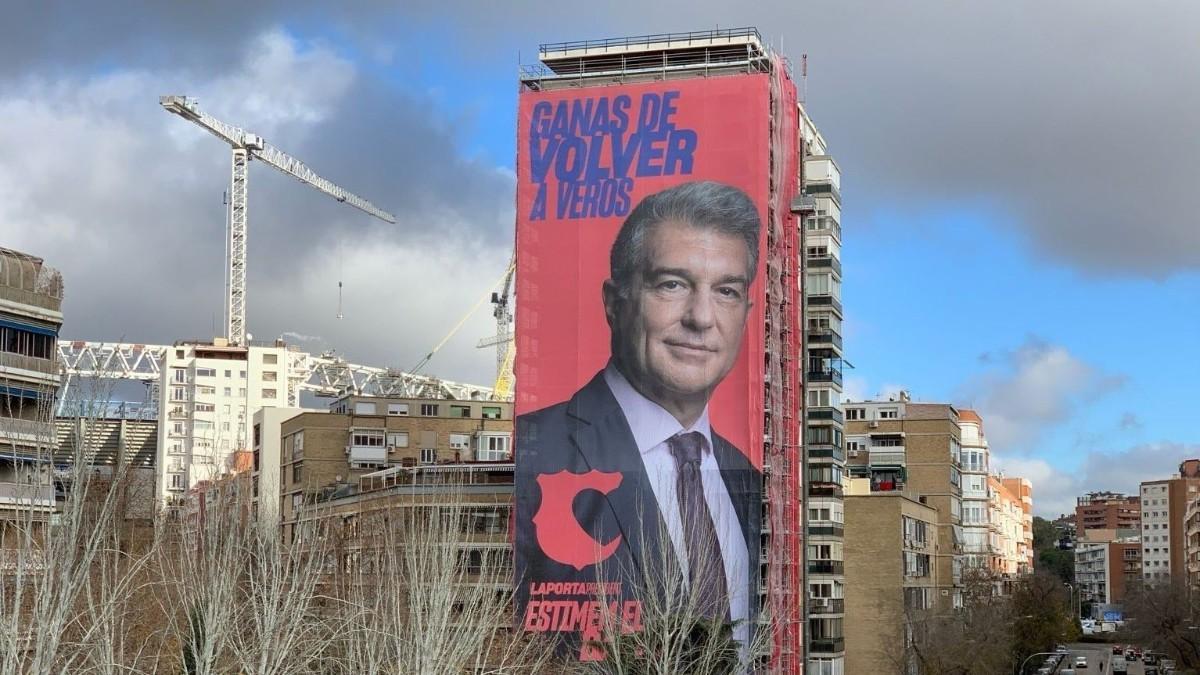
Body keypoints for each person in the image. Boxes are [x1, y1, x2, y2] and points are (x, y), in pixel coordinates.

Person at [515, 180, 763, 648]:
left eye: (726, 291)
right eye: (672, 284)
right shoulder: (533, 451)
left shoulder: (750, 481)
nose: (701, 318)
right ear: (614, 303)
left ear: (747, 314)